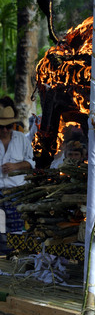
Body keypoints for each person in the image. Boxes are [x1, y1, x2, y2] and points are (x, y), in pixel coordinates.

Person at [0, 99, 35, 236]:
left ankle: (13, 257)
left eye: (8, 126)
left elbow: (31, 163)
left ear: (13, 124)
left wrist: (16, 166)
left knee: (16, 233)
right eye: (1, 126)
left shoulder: (21, 139)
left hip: (16, 193)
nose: (4, 130)